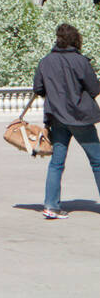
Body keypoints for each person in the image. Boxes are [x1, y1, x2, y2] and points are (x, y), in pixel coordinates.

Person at [33, 23, 100, 220]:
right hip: (80, 117)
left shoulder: (45, 61)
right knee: (97, 161)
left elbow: (38, 88)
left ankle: (51, 205)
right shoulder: (80, 61)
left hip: (57, 117)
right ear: (75, 39)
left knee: (56, 163)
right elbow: (95, 88)